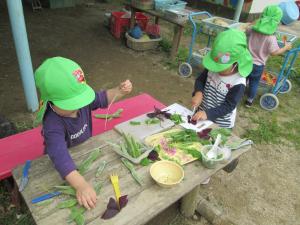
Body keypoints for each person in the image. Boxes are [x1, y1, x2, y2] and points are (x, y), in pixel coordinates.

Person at [34, 57, 132, 210]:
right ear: (51, 101)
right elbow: (60, 158)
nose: (78, 107)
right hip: (65, 166)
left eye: (79, 101)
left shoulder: (81, 102)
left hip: (85, 151)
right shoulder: (52, 124)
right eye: (71, 104)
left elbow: (101, 98)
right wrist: (81, 185)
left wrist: (119, 91)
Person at [192, 29, 253, 128]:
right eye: (215, 66)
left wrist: (208, 114)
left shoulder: (238, 82)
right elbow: (200, 80)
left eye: (221, 67)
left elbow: (229, 106)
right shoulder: (212, 68)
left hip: (220, 124)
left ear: (235, 64)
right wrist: (198, 92)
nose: (216, 70)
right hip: (201, 117)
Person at [245, 5, 292, 107]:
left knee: (242, 79)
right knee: (254, 83)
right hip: (258, 65)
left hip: (246, 61)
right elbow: (274, 52)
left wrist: (255, 22)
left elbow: (246, 29)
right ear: (277, 22)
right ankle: (249, 101)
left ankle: (237, 94)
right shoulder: (271, 38)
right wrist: (286, 47)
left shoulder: (253, 30)